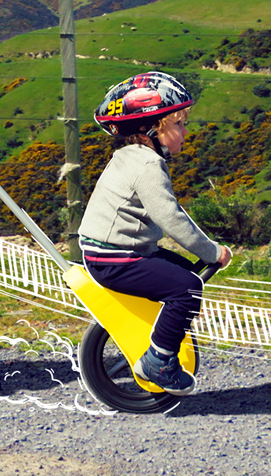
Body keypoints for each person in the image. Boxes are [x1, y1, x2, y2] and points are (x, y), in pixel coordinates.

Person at [78, 71, 232, 395]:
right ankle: (158, 360)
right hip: (115, 258)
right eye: (178, 124)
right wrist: (212, 252)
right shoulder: (148, 166)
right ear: (152, 128)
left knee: (185, 274)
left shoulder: (131, 155)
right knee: (188, 287)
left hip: (110, 250)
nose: (185, 131)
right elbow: (171, 218)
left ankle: (162, 332)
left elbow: (168, 212)